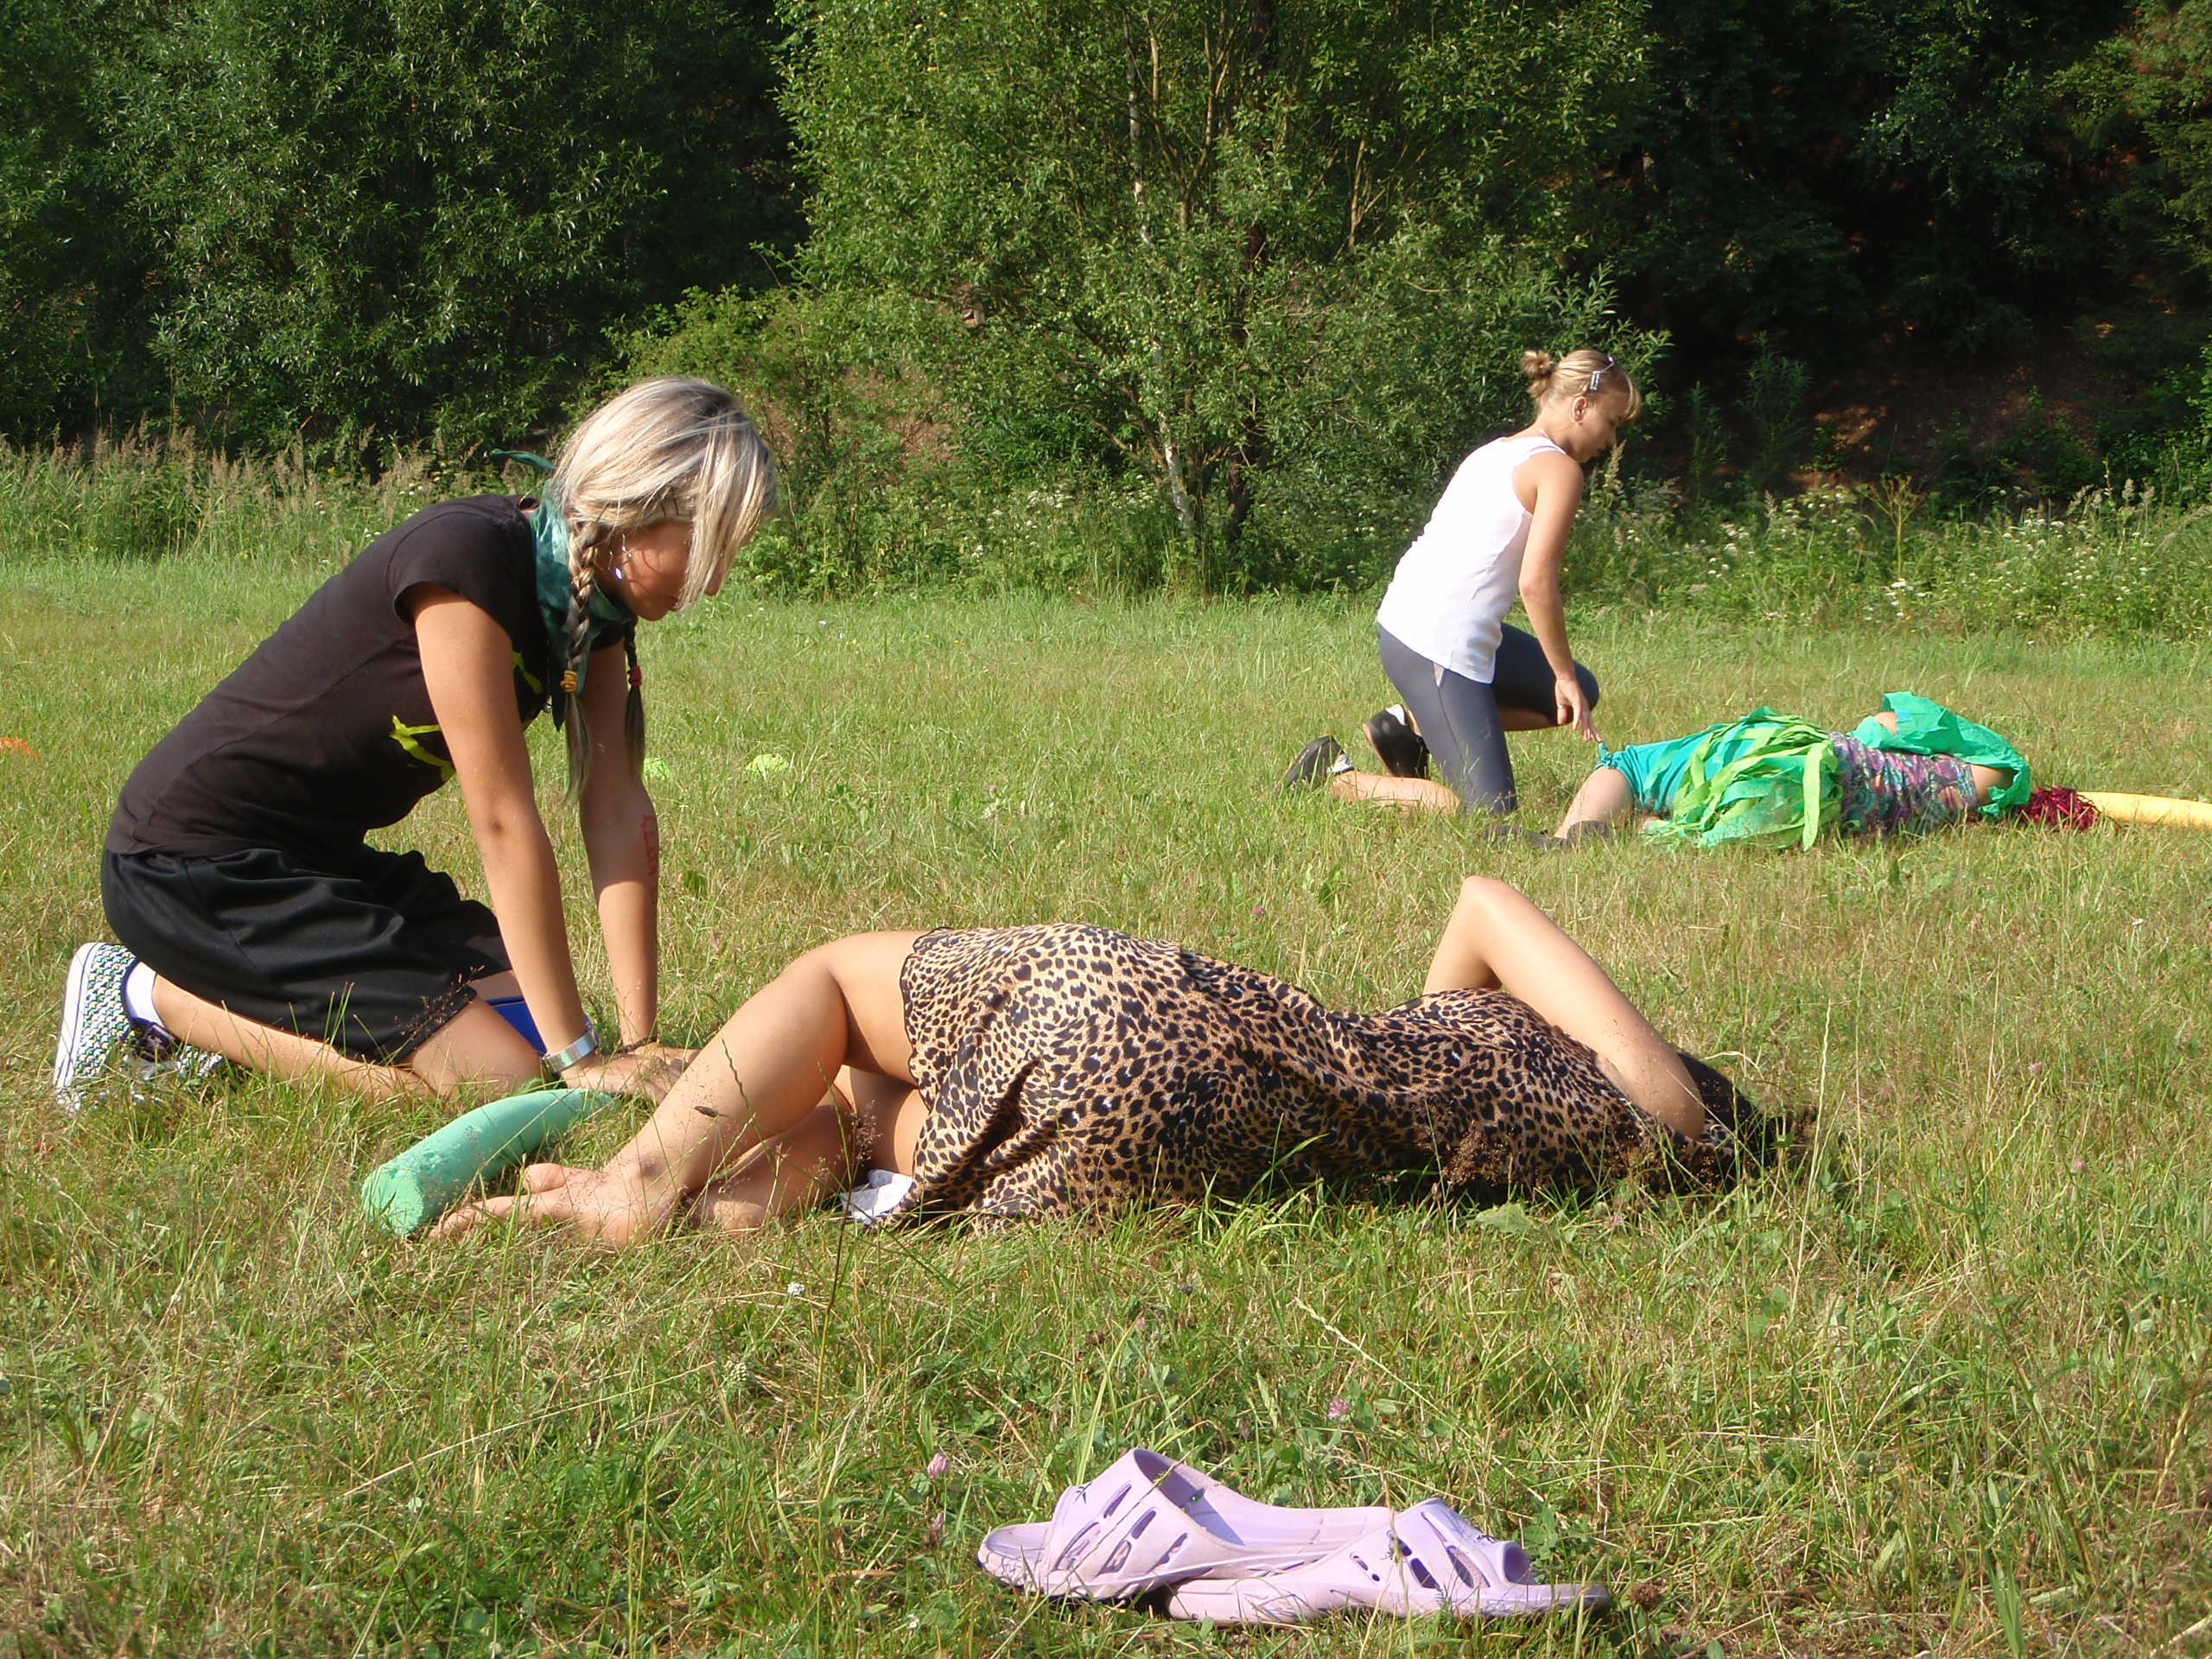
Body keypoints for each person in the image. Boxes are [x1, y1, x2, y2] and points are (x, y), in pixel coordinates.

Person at [52, 378, 775, 1109]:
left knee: (529, 1026)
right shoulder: (468, 560)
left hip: (317, 862)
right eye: (703, 548)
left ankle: (246, 1004)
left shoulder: (593, 609)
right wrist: (581, 1060)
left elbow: (616, 807)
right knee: (502, 1080)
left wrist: (638, 1041)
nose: (712, 584)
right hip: (193, 864)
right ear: (636, 505)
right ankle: (148, 993)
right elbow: (502, 821)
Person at [432, 876, 1765, 1244]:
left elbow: (1484, 899)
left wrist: (1648, 1061)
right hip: (1178, 1152)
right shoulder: (1587, 1157)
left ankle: (636, 1185)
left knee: (830, 983)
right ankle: (717, 1205)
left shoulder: (1645, 1097)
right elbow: (1428, 1023)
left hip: (1150, 1023)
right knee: (866, 1120)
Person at [1284, 349, 1638, 817]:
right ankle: (1333, 777)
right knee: (1488, 814)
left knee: (1579, 693)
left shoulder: (1497, 450)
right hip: (1437, 644)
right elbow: (1536, 584)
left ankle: (1410, 729)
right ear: (1580, 407)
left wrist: (1570, 680)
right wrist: (1564, 675)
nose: (1611, 440)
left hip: (1408, 623)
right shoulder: (1560, 471)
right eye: (1610, 422)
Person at [1548, 692, 2031, 849]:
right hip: (1810, 803)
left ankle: (1574, 834)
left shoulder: (1992, 753)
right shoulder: (1981, 788)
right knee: (1706, 833)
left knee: (1631, 765)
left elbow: (1881, 725)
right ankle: (1648, 830)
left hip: (1797, 757)